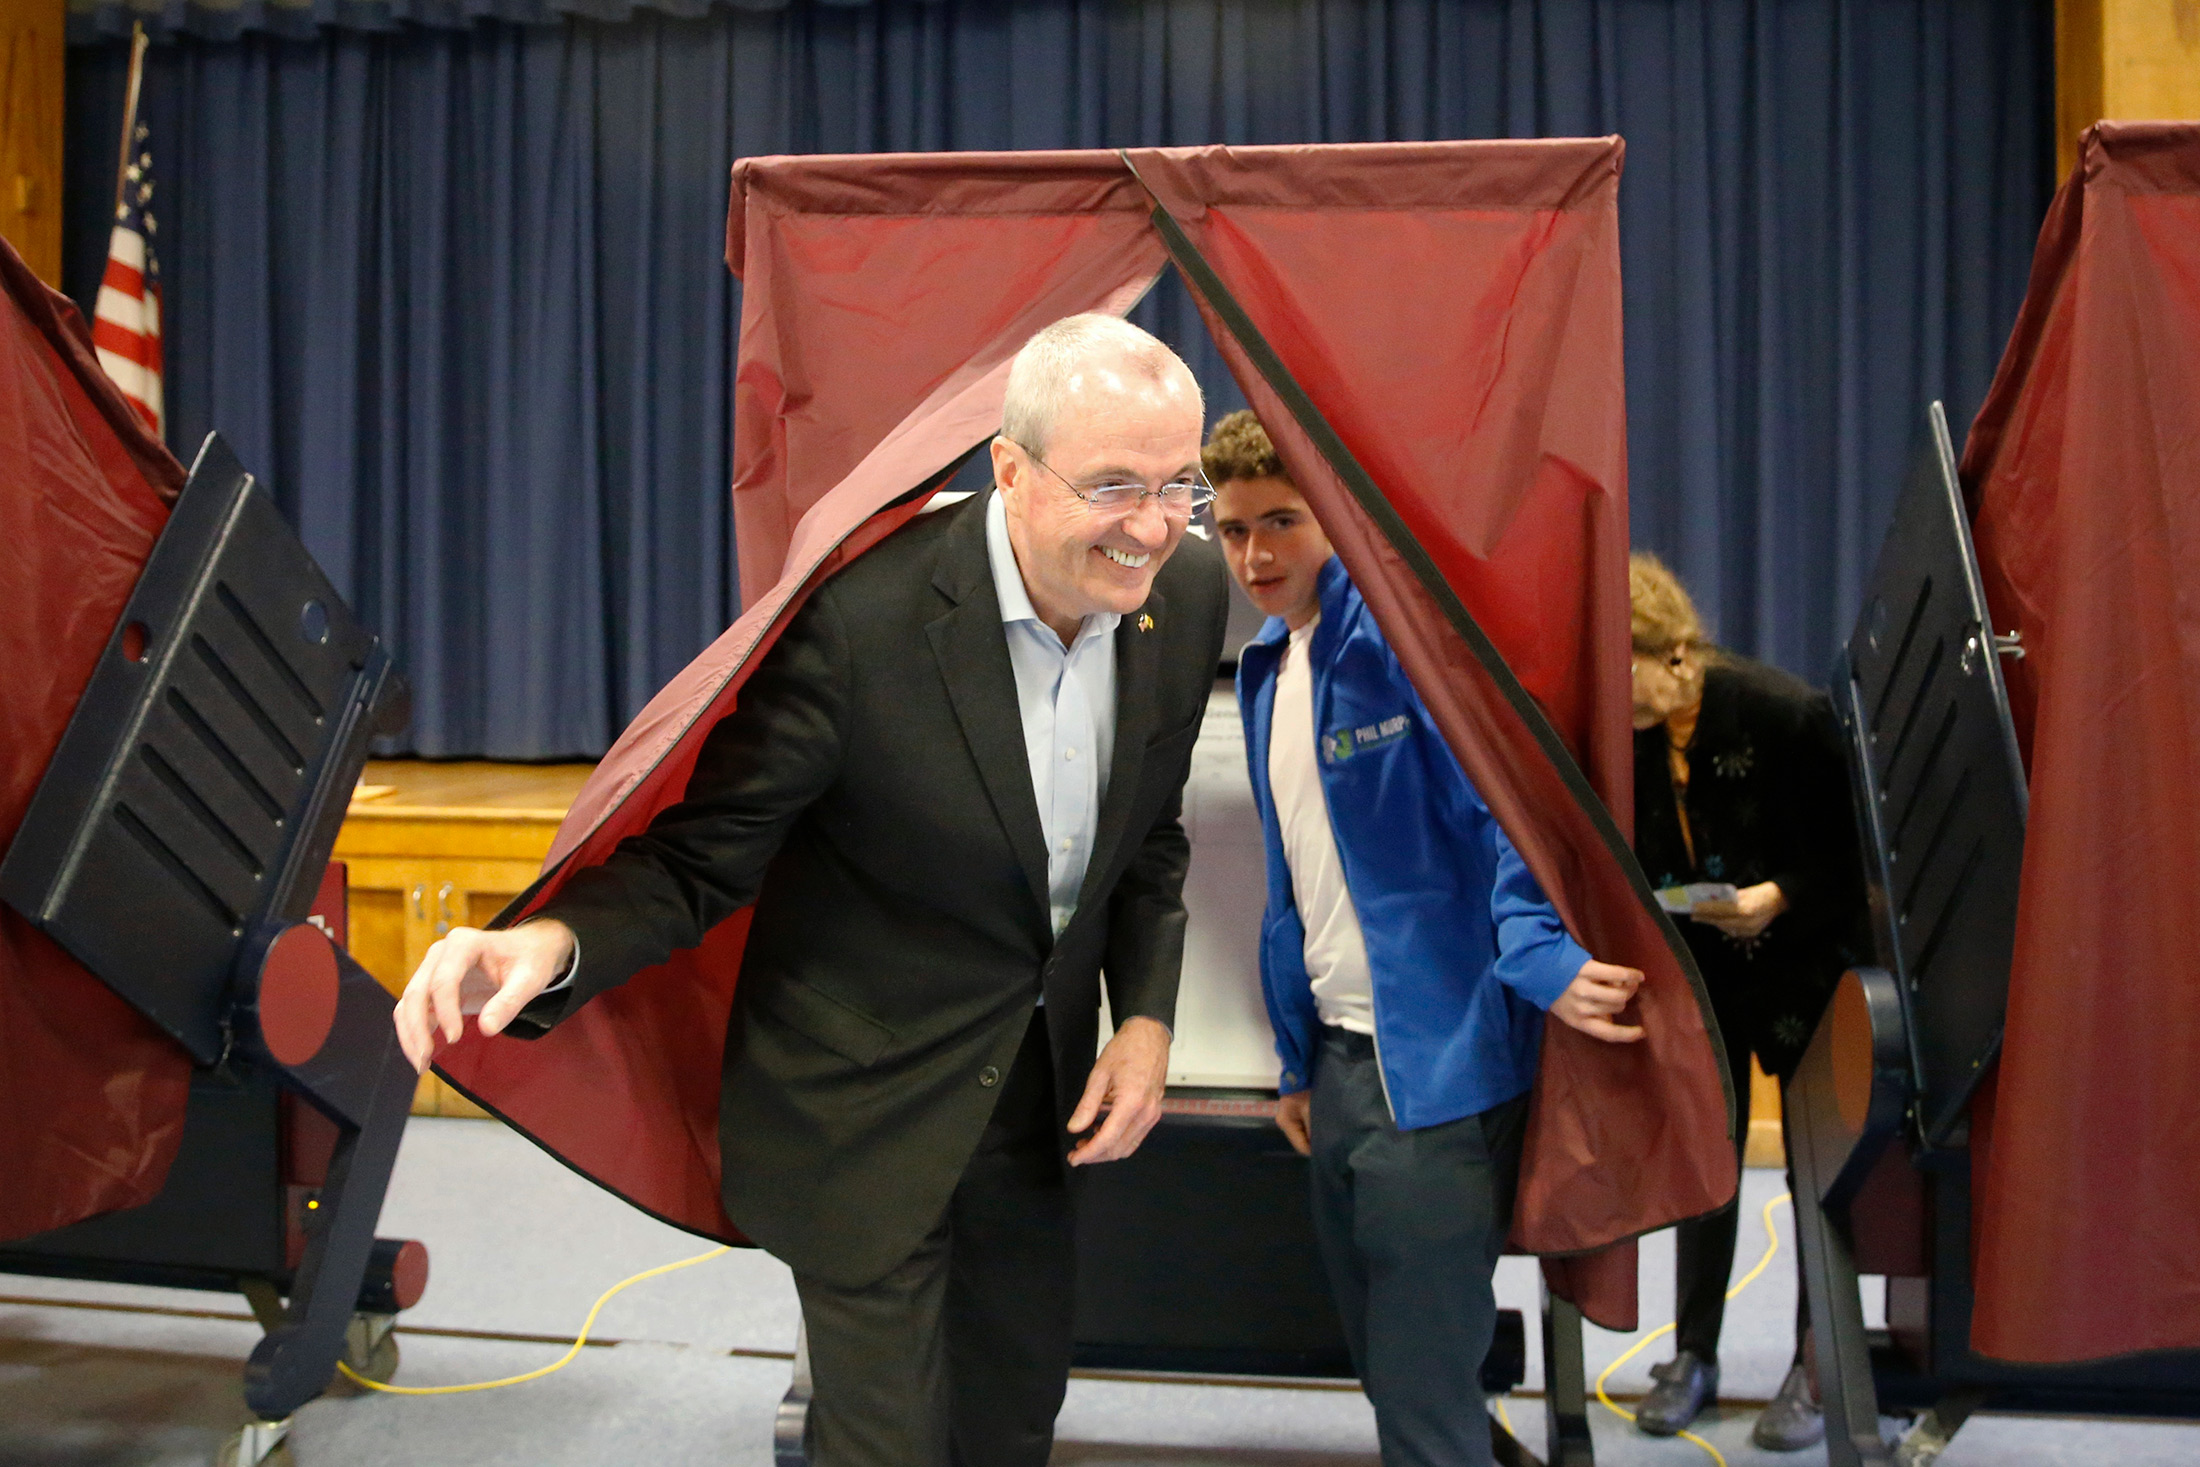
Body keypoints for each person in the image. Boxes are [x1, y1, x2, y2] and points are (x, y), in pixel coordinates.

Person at [391, 314, 1231, 1467]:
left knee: (1009, 1424)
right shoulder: (858, 622)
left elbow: (1149, 836)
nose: (1154, 525)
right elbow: (701, 857)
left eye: (1178, 484)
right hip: (859, 1109)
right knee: (884, 1447)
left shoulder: (1184, 594)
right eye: (1114, 486)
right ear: (1009, 470)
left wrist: (1143, 1018)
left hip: (1028, 1111)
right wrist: (550, 941)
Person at [1204, 410, 1649, 1467]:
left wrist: (1539, 952)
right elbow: (1295, 889)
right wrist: (1297, 1061)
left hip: (1439, 1069)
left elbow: (1507, 803)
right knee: (1392, 1365)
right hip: (1338, 1066)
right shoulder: (1268, 666)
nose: (1256, 554)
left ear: (1336, 515)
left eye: (1282, 521)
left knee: (1419, 1392)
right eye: (1233, 529)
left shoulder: (1402, 639)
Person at [1626, 551, 1868, 1450]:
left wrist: (1778, 895)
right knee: (1706, 1160)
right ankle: (1694, 1353)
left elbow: (1854, 859)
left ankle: (1818, 1362)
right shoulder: (1632, 733)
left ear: (1676, 653)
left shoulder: (1786, 713)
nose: (1613, 691)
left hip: (1806, 965)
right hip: (1703, 970)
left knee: (1816, 1170)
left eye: (1624, 669)